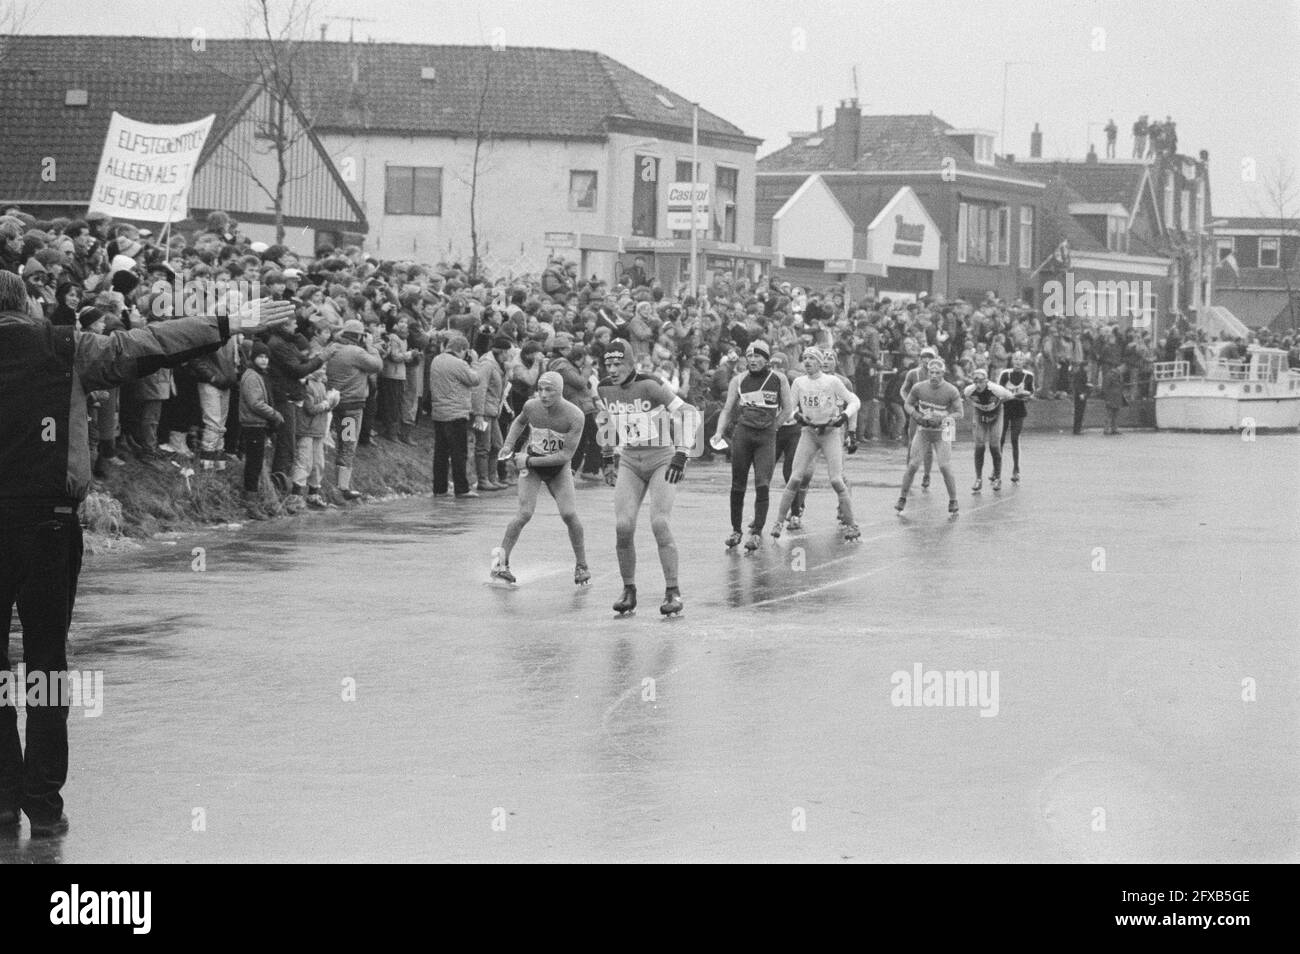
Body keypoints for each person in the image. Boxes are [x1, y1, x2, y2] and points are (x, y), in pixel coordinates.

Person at [0, 270, 291, 837]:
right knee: (47, 663)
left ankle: (2, 796)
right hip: (48, 525)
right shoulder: (66, 345)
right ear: (29, 303)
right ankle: (44, 802)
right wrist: (227, 322)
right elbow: (150, 343)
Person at [596, 338, 701, 617]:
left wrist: (682, 452)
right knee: (623, 525)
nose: (614, 369)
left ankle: (672, 590)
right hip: (630, 460)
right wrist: (607, 458)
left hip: (661, 458)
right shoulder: (604, 387)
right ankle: (628, 589)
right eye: (609, 364)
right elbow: (607, 420)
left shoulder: (651, 383)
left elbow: (689, 413)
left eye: (619, 364)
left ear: (632, 364)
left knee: (659, 523)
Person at [490, 372, 589, 585]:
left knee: (570, 514)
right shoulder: (531, 406)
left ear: (560, 391)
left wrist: (527, 461)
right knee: (524, 513)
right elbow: (519, 422)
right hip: (533, 462)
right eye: (540, 389)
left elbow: (565, 456)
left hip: (556, 467)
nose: (543, 395)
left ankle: (581, 565)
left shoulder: (575, 415)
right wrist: (508, 444)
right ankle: (501, 564)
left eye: (549, 390)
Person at [770, 347, 862, 541]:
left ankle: (852, 524)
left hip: (830, 433)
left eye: (812, 359)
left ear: (820, 363)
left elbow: (854, 401)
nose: (808, 362)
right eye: (805, 359)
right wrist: (798, 416)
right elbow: (789, 406)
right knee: (795, 478)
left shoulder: (833, 381)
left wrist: (843, 417)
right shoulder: (799, 382)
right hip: (810, 432)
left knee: (836, 480)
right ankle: (779, 522)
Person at [713, 340, 792, 551]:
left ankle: (756, 532)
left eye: (758, 356)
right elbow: (728, 409)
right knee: (738, 484)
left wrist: (773, 427)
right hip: (743, 435)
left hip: (765, 437)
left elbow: (787, 408)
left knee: (762, 483)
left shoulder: (779, 379)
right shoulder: (738, 380)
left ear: (766, 359)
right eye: (750, 356)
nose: (753, 360)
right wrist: (719, 431)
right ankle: (736, 530)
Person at [896, 358, 963, 515]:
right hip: (924, 429)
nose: (933, 376)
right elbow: (908, 404)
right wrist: (916, 415)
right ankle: (902, 497)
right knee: (913, 465)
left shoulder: (951, 390)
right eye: (931, 372)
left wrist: (943, 418)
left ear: (943, 373)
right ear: (927, 373)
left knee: (944, 466)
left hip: (944, 429)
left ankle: (953, 500)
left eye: (937, 373)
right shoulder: (919, 387)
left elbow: (960, 413)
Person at [428, 333, 485, 499]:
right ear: (462, 349)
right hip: (456, 414)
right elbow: (475, 379)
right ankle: (461, 488)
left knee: (441, 454)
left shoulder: (436, 360)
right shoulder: (459, 363)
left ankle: (440, 489)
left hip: (439, 413)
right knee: (459, 453)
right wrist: (473, 361)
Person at [963, 369, 1015, 492]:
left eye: (981, 381)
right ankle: (978, 478)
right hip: (979, 414)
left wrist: (999, 403)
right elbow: (965, 398)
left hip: (996, 414)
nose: (978, 385)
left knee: (994, 445)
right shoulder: (969, 390)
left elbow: (1010, 396)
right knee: (979, 445)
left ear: (987, 381)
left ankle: (997, 477)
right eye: (975, 381)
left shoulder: (996, 390)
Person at [997, 351, 1034, 482]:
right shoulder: (1005, 374)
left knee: (1014, 439)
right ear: (1012, 360)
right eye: (1016, 359)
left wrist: (1026, 397)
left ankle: (1016, 469)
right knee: (1000, 439)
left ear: (1024, 362)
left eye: (1021, 359)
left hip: (1019, 411)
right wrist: (1010, 396)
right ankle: (997, 470)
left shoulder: (1028, 376)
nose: (1018, 362)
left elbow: (1031, 393)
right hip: (1005, 409)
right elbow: (998, 391)